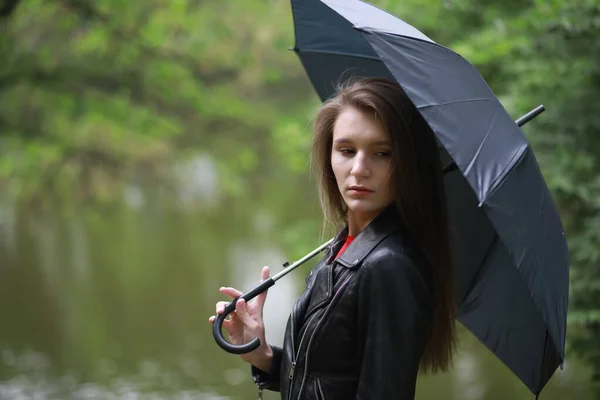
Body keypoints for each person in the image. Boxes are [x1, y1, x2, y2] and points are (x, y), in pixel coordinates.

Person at [209, 77, 457, 399]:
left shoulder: (388, 266)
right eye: (346, 150)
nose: (359, 169)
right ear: (329, 156)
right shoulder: (346, 247)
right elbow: (327, 378)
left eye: (382, 153)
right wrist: (263, 357)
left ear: (408, 163)